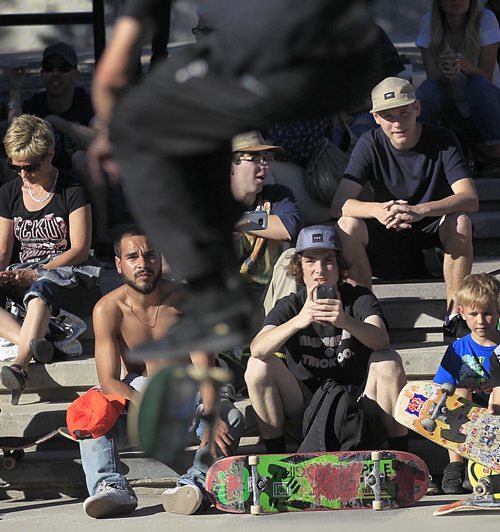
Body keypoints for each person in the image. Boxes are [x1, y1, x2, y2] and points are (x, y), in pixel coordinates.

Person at [88, 0, 383, 362]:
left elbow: (111, 80)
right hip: (351, 53)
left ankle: (216, 299)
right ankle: (220, 293)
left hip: (296, 59)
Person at [79, 227, 245, 518]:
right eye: (132, 257)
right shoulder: (108, 309)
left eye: (150, 255)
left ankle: (194, 484)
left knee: (229, 418)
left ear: (159, 260)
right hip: (137, 399)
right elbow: (108, 380)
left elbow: (204, 368)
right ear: (119, 265)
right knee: (90, 409)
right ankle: (111, 487)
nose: (142, 263)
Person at [331, 76, 479, 343]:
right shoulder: (369, 143)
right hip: (387, 234)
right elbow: (340, 204)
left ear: (417, 109)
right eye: (388, 116)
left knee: (461, 221)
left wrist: (421, 210)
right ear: (375, 117)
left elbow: (469, 198)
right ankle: (367, 314)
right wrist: (378, 210)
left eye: (404, 112)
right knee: (347, 225)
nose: (397, 123)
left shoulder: (443, 140)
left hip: (431, 235)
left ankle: (455, 315)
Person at [244, 224, 408, 453]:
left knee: (388, 361)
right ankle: (276, 460)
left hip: (357, 407)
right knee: (257, 366)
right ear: (299, 268)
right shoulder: (291, 305)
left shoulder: (359, 298)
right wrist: (298, 321)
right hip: (305, 409)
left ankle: (401, 456)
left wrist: (344, 321)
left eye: (328, 261)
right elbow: (257, 349)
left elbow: (381, 340)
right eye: (310, 261)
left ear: (340, 266)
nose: (319, 270)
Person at [0, 115, 100, 405]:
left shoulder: (71, 190)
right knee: (32, 287)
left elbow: (80, 249)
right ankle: (45, 344)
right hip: (25, 274)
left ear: (50, 155)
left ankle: (20, 363)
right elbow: (3, 252)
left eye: (30, 166)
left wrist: (37, 271)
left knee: (40, 288)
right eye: (14, 167)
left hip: (67, 276)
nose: (23, 174)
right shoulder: (8, 194)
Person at [433, 272, 500, 494]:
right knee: (458, 392)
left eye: (487, 313)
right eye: (473, 314)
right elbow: (441, 388)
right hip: (467, 414)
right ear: (461, 313)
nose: (481, 321)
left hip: (496, 409)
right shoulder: (457, 349)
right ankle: (456, 466)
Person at [415, 0, 500, 163]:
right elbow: (431, 77)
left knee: (478, 84)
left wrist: (463, 66)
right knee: (428, 89)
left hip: (489, 105)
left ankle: (496, 151)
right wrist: (446, 70)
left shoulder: (485, 18)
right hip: (451, 107)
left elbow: (486, 76)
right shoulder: (429, 21)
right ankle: (417, 152)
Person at [231, 131, 301, 297]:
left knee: (289, 258)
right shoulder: (207, 199)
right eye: (255, 158)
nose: (264, 165)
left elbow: (289, 227)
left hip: (267, 295)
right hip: (228, 295)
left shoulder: (277, 196)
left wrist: (236, 220)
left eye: (267, 158)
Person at [6, 42, 96, 171]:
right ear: (42, 74)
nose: (55, 73)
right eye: (49, 67)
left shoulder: (87, 103)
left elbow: (99, 141)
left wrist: (55, 121)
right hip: (42, 179)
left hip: (79, 181)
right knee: (9, 166)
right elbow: (14, 144)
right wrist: (15, 91)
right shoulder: (34, 106)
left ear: (76, 75)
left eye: (63, 68)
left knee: (82, 159)